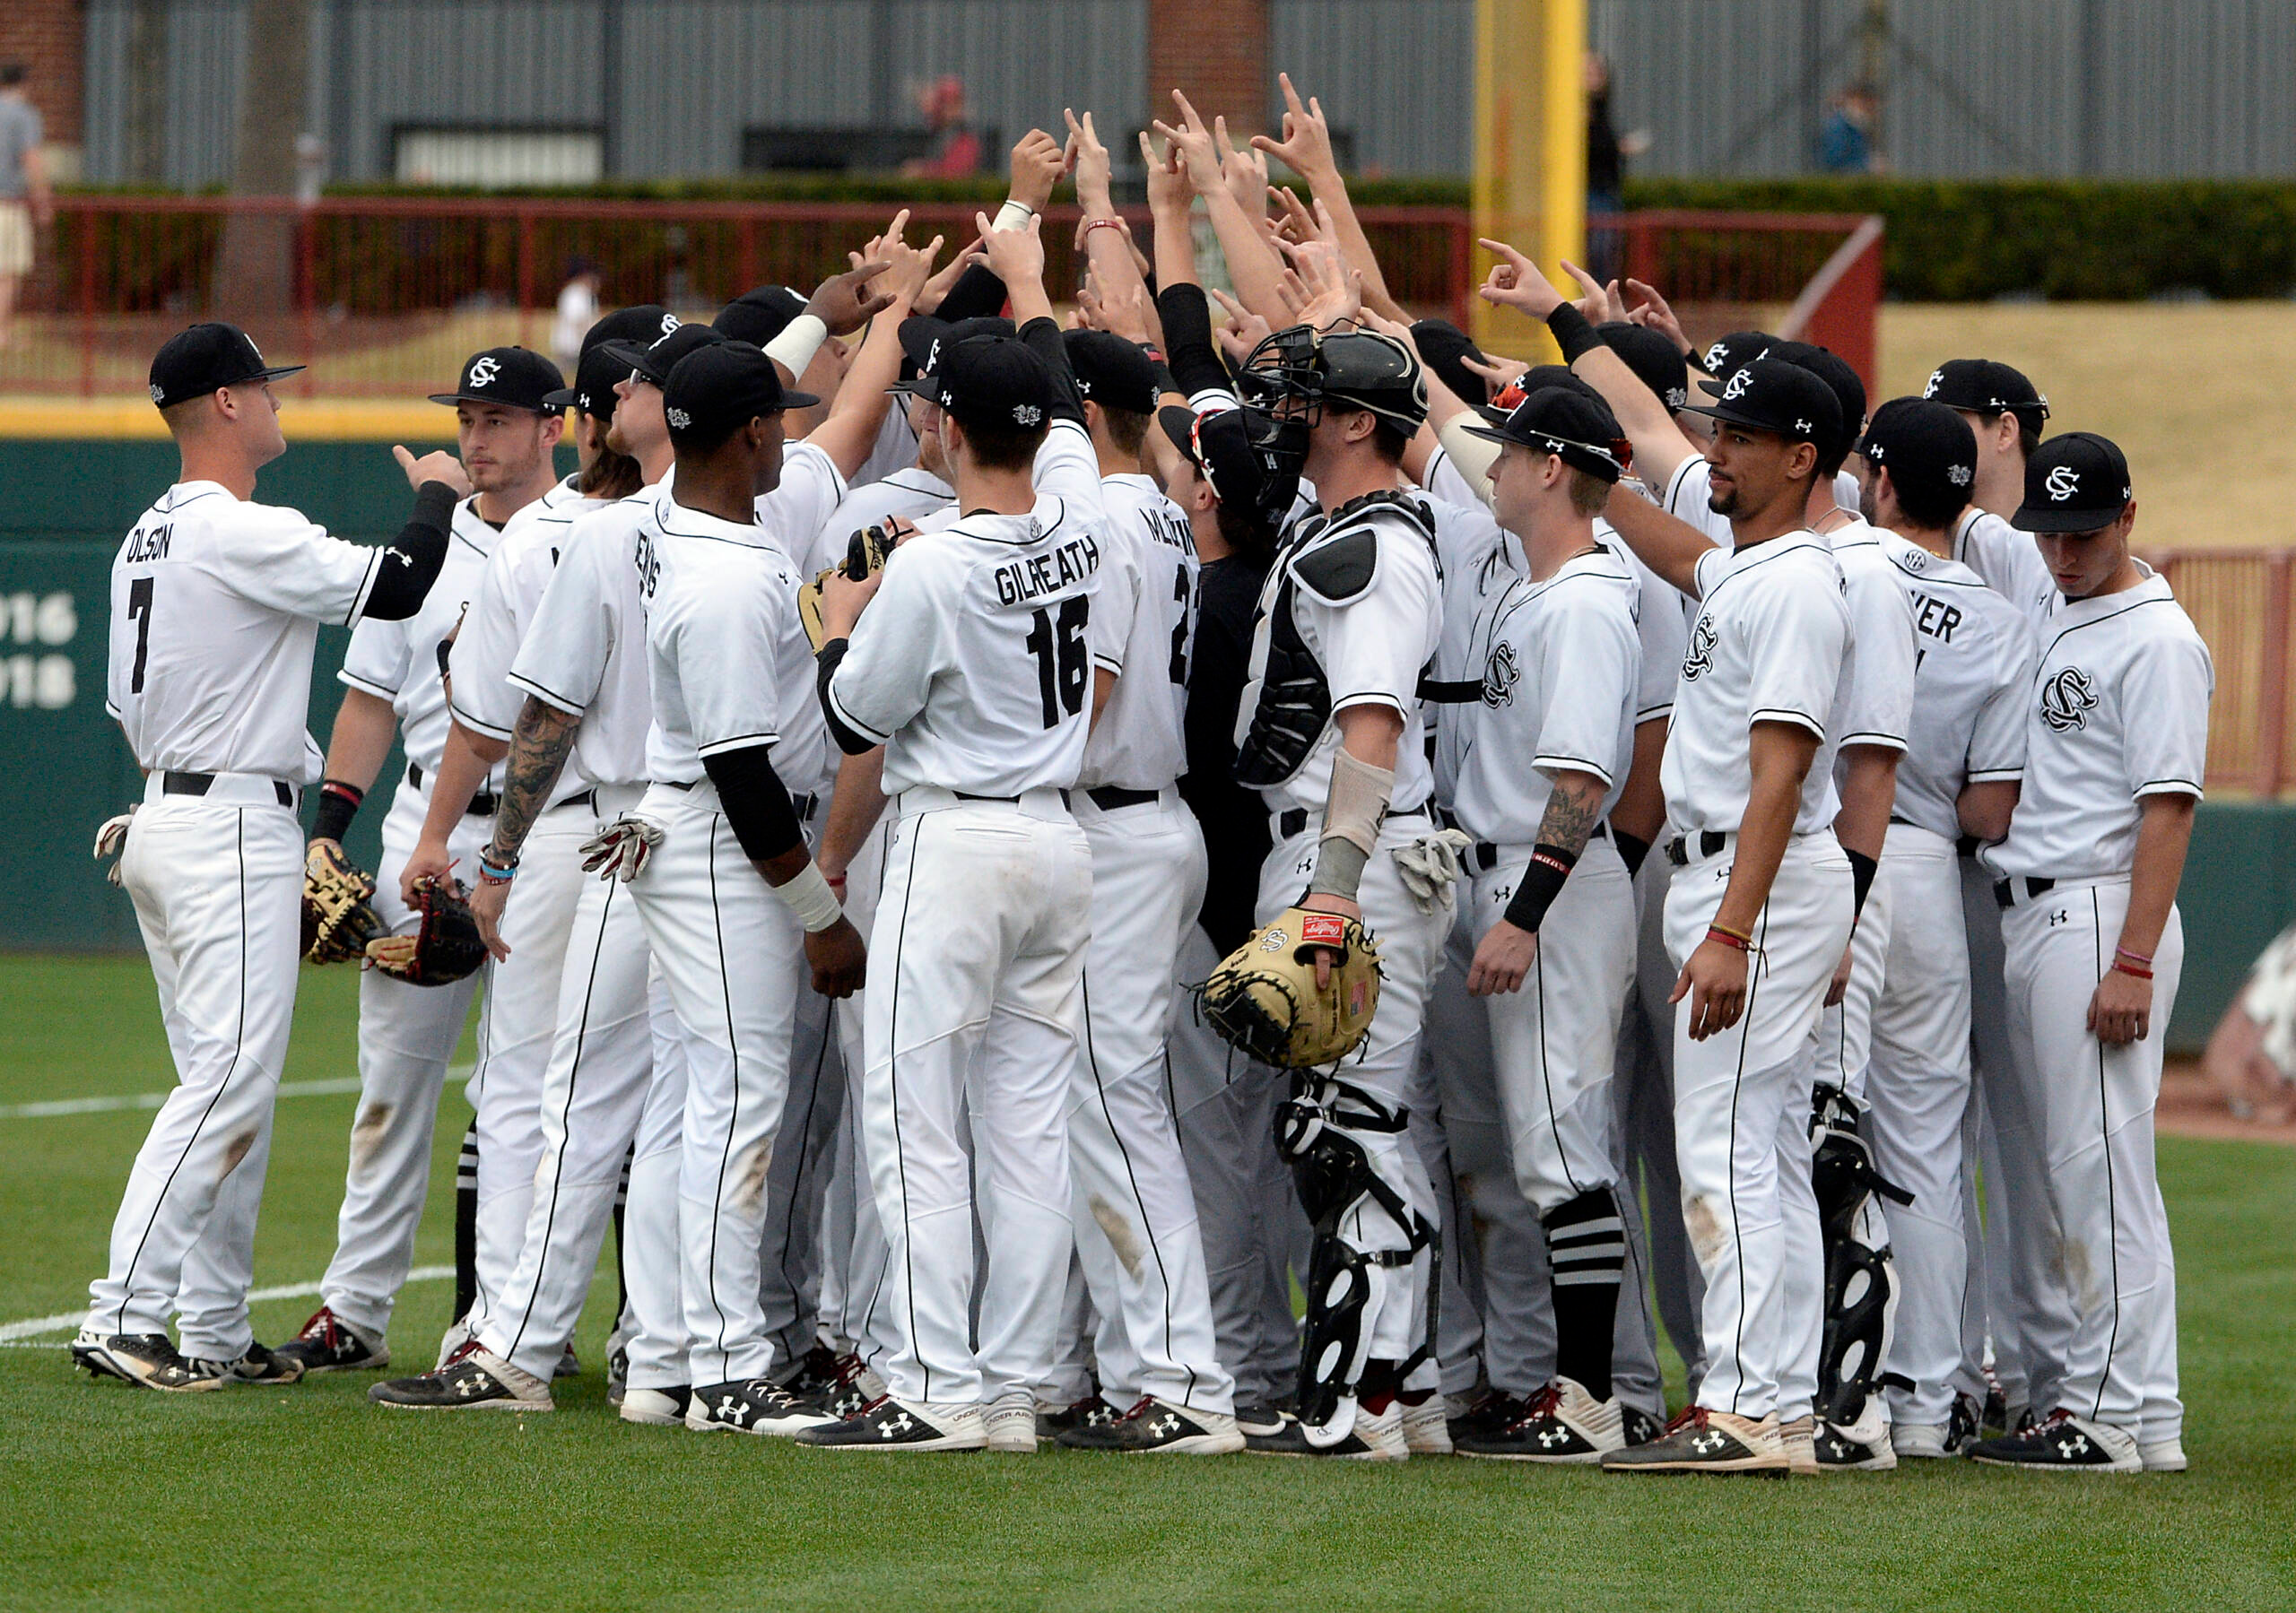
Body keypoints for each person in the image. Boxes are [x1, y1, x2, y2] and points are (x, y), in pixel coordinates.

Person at [74, 323, 465, 1390]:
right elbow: (396, 582)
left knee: (224, 1077)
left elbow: (125, 701)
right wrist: (436, 493)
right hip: (225, 827)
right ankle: (125, 1313)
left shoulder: (145, 535)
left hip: (168, 813)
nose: (280, 401)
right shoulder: (237, 526)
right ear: (230, 405)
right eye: (266, 387)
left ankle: (208, 1326)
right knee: (229, 1084)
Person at [798, 215, 1107, 1454]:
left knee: (916, 1112)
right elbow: (1069, 397)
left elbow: (854, 709)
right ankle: (1021, 1378)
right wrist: (1033, 281)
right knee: (1030, 1120)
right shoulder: (1084, 510)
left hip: (958, 839)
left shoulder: (929, 566)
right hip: (1059, 841)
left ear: (951, 424)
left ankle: (934, 1380)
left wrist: (837, 616)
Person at [269, 346, 563, 1376]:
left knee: (530, 1096)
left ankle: (519, 1319)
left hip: (547, 840)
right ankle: (352, 1310)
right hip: (423, 842)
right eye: (467, 418)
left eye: (498, 419)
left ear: (551, 428)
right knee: (390, 1090)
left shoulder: (580, 538)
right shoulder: (431, 548)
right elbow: (365, 701)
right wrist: (329, 831)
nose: (476, 438)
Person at [1970, 433, 2211, 1475]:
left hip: (2100, 910)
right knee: (2084, 1172)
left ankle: (2109, 1414)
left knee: (2097, 1172)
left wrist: (2136, 959)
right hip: (2043, 910)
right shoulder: (2065, 605)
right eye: (2049, 532)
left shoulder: (2155, 638)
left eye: (2081, 531)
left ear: (2127, 517)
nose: (2060, 551)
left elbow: (2169, 811)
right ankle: (2138, 1412)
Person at [1439, 386, 1648, 1461]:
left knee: (1566, 1148)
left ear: (1556, 469)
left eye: (1516, 449)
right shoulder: (1546, 586)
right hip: (1520, 875)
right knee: (1542, 1151)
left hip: (1551, 887)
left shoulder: (1581, 603)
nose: (1500, 464)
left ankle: (1590, 1398)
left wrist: (1523, 914)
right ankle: (1576, 1391)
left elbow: (1581, 778)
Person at [1848, 397, 2036, 1458]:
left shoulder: (1837, 572)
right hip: (1929, 868)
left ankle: (1837, 1383)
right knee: (1925, 1140)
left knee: (1817, 1127)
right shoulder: (2003, 618)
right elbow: (1990, 811)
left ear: (1876, 478)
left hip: (1834, 858)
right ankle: (1928, 1399)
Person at [0, 64, 51, 349]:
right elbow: (31, 158)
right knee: (6, 272)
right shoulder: (24, 115)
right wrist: (42, 200)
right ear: (24, 83)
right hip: (7, 202)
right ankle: (1, 334)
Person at [550, 259, 603, 376]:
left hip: (578, 349)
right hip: (571, 349)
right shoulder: (575, 294)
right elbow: (579, 321)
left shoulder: (587, 295)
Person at [1819, 82, 1881, 175]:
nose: (1872, 109)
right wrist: (1868, 165)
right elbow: (1834, 162)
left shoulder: (1857, 127)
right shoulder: (1838, 127)